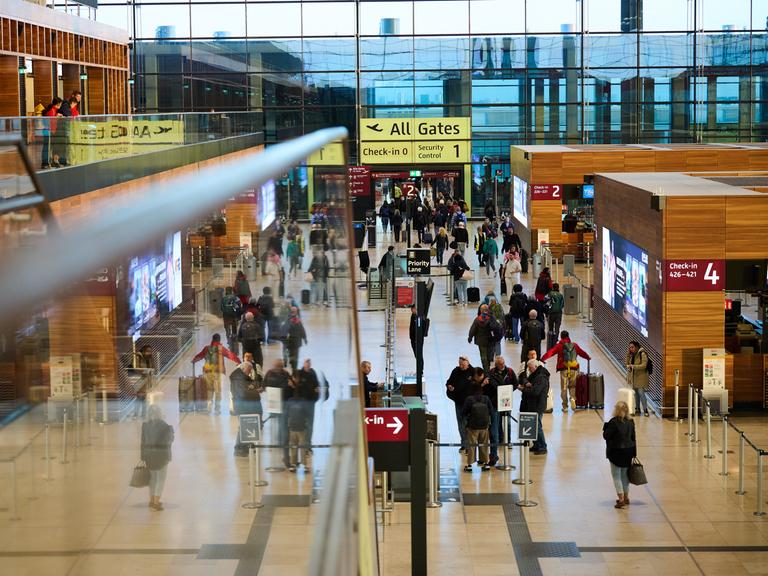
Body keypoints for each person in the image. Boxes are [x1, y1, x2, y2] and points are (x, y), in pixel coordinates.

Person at [541, 330, 591, 412]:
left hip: (563, 369)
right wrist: (588, 357)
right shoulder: (574, 345)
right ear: (568, 336)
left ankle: (565, 406)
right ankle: (572, 398)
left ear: (561, 337)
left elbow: (550, 352)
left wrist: (542, 359)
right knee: (573, 386)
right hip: (574, 368)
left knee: (563, 388)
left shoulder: (559, 346)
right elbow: (582, 353)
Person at [192, 334, 240, 414]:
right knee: (218, 391)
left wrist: (194, 360)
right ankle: (217, 409)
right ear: (219, 340)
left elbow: (200, 356)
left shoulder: (207, 348)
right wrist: (238, 361)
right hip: (218, 372)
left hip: (208, 372)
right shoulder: (221, 349)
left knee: (209, 390)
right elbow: (230, 355)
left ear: (212, 339)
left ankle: (209, 406)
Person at [603, 401, 637, 508]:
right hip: (628, 451)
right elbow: (633, 438)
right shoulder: (631, 422)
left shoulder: (613, 422)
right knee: (624, 475)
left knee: (616, 476)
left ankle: (621, 499)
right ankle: (626, 497)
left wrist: (605, 427)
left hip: (616, 452)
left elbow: (606, 436)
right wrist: (634, 453)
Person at [140, 405, 174, 511]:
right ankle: (156, 502)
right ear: (160, 413)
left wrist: (143, 456)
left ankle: (151, 500)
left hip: (149, 456)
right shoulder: (165, 426)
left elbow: (143, 442)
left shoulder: (145, 425)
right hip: (161, 457)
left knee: (152, 479)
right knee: (160, 480)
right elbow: (168, 441)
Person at [487, 356, 518, 465]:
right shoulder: (491, 372)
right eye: (500, 364)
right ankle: (500, 440)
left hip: (506, 400)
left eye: (503, 363)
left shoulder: (509, 371)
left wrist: (508, 390)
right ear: (496, 365)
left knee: (507, 421)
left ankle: (508, 441)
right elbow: (491, 386)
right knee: (497, 422)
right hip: (495, 402)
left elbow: (516, 383)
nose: (503, 365)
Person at [461, 377, 494, 472]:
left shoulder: (469, 399)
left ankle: (470, 465)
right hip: (484, 426)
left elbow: (463, 412)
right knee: (484, 444)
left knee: (471, 445)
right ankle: (485, 463)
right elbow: (491, 411)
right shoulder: (486, 398)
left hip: (472, 426)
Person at [264, 359, 293, 465]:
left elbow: (291, 389)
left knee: (283, 425)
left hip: (284, 404)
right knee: (274, 424)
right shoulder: (269, 373)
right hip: (273, 404)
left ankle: (281, 442)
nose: (278, 369)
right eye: (276, 367)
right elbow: (264, 385)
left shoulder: (286, 374)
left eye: (279, 367)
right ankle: (275, 442)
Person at [518, 359, 549, 455]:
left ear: (535, 367)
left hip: (538, 405)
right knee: (534, 426)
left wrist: (523, 389)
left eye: (530, 368)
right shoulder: (535, 375)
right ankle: (536, 445)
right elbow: (526, 380)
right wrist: (527, 384)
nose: (529, 370)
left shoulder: (541, 377)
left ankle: (542, 446)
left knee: (537, 426)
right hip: (533, 404)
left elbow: (535, 392)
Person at [231, 362, 262, 456]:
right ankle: (239, 449)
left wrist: (252, 387)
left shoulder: (242, 377)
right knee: (243, 427)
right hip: (242, 407)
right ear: (243, 369)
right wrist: (256, 392)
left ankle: (245, 447)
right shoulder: (237, 379)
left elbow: (253, 383)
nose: (249, 373)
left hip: (246, 407)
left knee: (247, 426)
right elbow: (243, 394)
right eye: (248, 371)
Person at [446, 356, 474, 454]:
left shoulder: (473, 371)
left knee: (469, 424)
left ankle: (469, 445)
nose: (461, 366)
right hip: (459, 402)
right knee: (461, 424)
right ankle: (464, 444)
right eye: (460, 364)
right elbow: (449, 382)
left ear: (468, 363)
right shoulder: (455, 371)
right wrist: (449, 386)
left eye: (463, 365)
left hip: (470, 404)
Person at [296, 359, 320, 446]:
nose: (308, 366)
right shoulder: (299, 373)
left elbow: (317, 387)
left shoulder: (313, 374)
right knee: (301, 423)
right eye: (307, 364)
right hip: (301, 403)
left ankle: (308, 443)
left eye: (309, 364)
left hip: (310, 403)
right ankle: (301, 442)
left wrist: (315, 399)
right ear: (304, 364)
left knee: (310, 424)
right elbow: (296, 388)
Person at [285, 387, 309, 472]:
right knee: (301, 448)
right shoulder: (304, 401)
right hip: (301, 428)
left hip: (293, 427)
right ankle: (302, 465)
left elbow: (286, 413)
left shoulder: (289, 401)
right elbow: (307, 414)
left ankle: (294, 464)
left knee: (294, 447)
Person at [468, 304, 495, 373]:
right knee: (489, 354)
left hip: (481, 341)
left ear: (481, 310)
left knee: (483, 356)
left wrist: (470, 337)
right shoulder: (491, 318)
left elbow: (473, 329)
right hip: (490, 340)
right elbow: (496, 328)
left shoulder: (477, 320)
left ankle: (486, 369)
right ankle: (488, 367)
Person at [626, 341, 650, 417]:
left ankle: (645, 410)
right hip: (634, 377)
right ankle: (637, 408)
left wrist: (634, 366)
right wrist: (628, 355)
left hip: (641, 377)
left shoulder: (642, 353)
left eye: (632, 347)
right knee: (636, 393)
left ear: (636, 347)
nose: (631, 349)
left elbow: (644, 365)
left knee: (641, 393)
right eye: (630, 347)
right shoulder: (631, 355)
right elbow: (628, 365)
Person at [282, 306, 307, 372]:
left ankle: (291, 363)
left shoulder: (295, 320)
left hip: (293, 341)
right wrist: (304, 338)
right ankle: (291, 364)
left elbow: (302, 330)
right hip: (293, 341)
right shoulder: (294, 320)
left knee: (292, 354)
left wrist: (304, 338)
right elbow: (302, 330)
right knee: (293, 354)